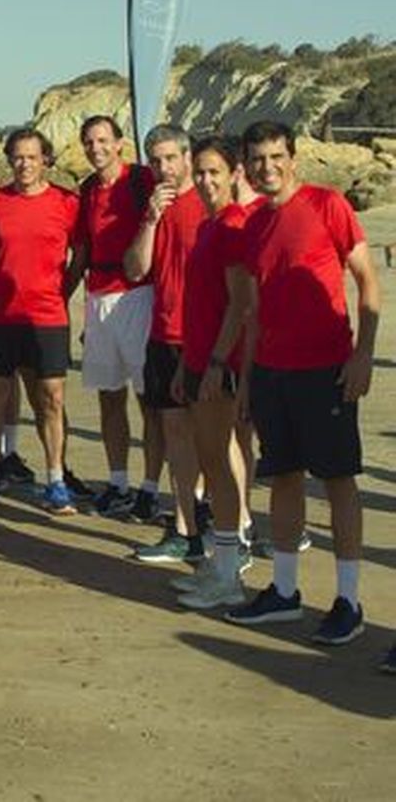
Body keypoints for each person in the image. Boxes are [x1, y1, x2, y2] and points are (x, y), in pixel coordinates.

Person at [224, 120, 380, 650]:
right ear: (246, 165)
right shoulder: (252, 226)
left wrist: (364, 353)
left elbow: (367, 282)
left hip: (326, 368)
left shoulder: (327, 203)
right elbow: (252, 310)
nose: (267, 168)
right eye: (257, 159)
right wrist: (246, 381)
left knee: (338, 482)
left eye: (276, 157)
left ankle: (349, 602)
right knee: (284, 479)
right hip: (271, 371)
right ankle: (285, 592)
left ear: (293, 157)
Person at [0, 129, 83, 514]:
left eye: (32, 157)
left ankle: (56, 481)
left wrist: (62, 291)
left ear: (46, 159)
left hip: (48, 317)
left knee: (51, 399)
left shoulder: (66, 203)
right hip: (2, 316)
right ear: (9, 162)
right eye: (18, 158)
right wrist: (2, 279)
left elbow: (81, 253)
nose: (25, 164)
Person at [169, 136, 257, 609]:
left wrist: (218, 364)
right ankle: (220, 562)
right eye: (199, 172)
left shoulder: (233, 226)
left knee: (218, 463)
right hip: (200, 358)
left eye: (214, 172)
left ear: (235, 173)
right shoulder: (209, 225)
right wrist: (188, 362)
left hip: (221, 365)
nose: (205, 181)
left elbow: (241, 305)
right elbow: (201, 306)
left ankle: (229, 571)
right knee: (210, 460)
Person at [122, 125, 206, 564]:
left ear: (188, 157)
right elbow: (135, 268)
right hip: (163, 333)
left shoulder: (207, 204)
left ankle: (234, 528)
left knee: (218, 437)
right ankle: (185, 528)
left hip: (203, 338)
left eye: (171, 158)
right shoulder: (156, 207)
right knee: (174, 435)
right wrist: (150, 219)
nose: (164, 168)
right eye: (155, 161)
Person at [76, 115, 164, 519]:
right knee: (110, 398)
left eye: (103, 140)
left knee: (150, 402)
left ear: (119, 143)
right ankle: (118, 482)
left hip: (139, 296)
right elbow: (82, 253)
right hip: (99, 300)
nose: (96, 148)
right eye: (89, 142)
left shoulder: (142, 180)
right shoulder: (88, 190)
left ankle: (150, 488)